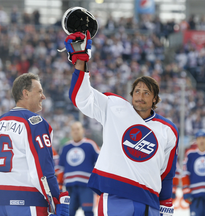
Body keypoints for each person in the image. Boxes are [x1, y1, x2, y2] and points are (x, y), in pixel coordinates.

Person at [64, 31, 179, 215]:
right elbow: (81, 98)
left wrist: (166, 203)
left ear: (155, 99)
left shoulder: (168, 130)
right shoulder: (115, 107)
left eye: (146, 93)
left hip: (150, 201)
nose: (140, 96)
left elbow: (167, 173)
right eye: (137, 91)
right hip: (116, 195)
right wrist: (80, 62)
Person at [0, 73, 69, 216]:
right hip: (26, 201)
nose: (43, 96)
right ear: (25, 93)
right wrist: (56, 200)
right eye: (39, 91)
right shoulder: (35, 122)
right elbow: (43, 170)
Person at [57, 121, 100, 216]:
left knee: (88, 211)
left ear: (82, 130)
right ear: (71, 132)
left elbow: (99, 164)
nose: (76, 132)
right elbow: (61, 168)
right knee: (69, 212)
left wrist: (98, 182)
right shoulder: (65, 147)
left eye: (78, 129)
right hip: (69, 186)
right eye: (73, 130)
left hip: (87, 186)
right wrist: (59, 185)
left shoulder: (90, 145)